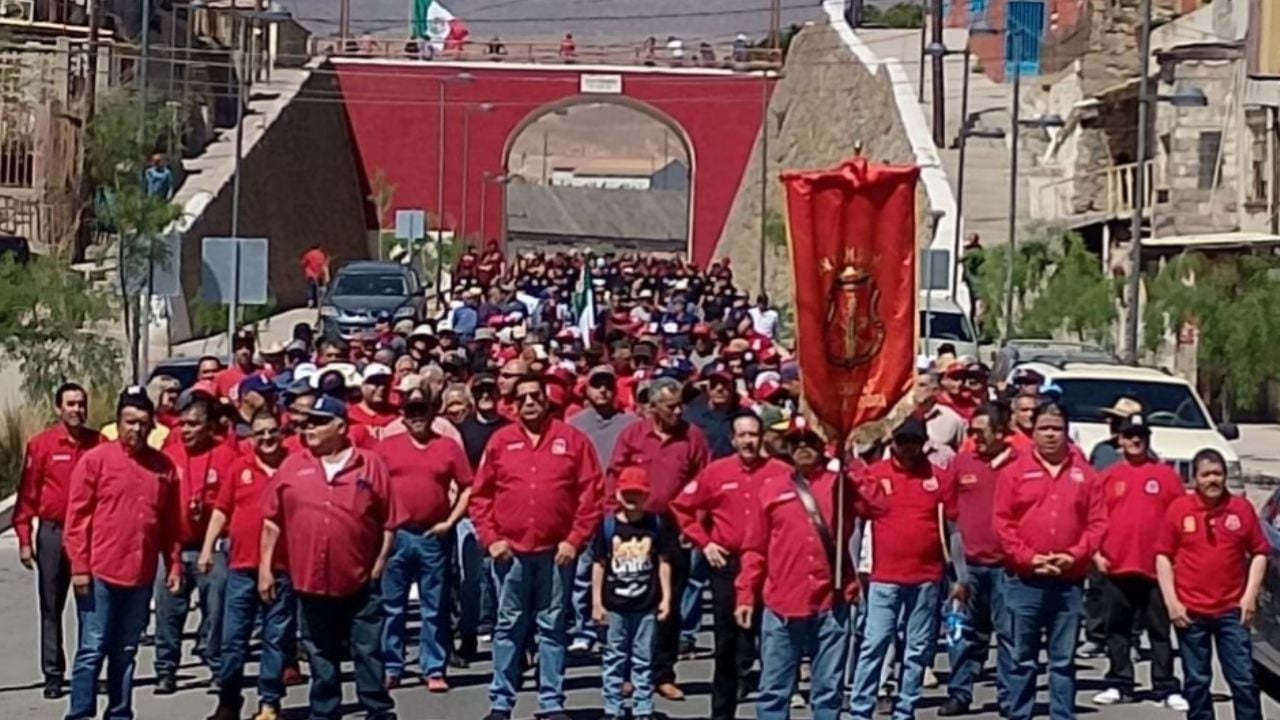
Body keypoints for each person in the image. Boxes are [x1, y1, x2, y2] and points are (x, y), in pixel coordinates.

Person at [470, 374, 604, 720]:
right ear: (513, 404)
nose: (529, 402)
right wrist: (491, 539)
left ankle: (551, 702)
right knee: (508, 626)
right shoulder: (500, 442)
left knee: (552, 627)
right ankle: (501, 702)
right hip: (509, 551)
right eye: (522, 397)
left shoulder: (573, 440)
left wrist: (575, 540)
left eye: (535, 396)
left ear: (547, 400)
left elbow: (591, 495)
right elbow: (481, 495)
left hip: (556, 552)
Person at [261, 395, 398, 720]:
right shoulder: (293, 465)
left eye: (318, 421)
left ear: (340, 426)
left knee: (367, 651)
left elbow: (389, 521)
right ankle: (324, 711)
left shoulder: (369, 464)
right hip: (310, 579)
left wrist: (378, 564)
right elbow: (271, 519)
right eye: (306, 421)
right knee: (319, 652)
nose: (309, 428)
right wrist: (266, 568)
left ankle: (377, 710)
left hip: (359, 580)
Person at [736, 418, 878, 720]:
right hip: (781, 604)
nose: (803, 448)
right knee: (774, 692)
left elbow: (876, 506)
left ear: (822, 446)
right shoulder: (771, 488)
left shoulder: (840, 484)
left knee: (828, 693)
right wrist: (745, 594)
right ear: (787, 448)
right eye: (796, 442)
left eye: (810, 442)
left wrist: (851, 460)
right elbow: (754, 548)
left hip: (830, 602)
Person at [64, 387, 181, 720]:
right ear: (118, 423)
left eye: (143, 423)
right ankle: (81, 713)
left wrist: (173, 565)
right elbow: (77, 518)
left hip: (141, 575)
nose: (137, 430)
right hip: (100, 572)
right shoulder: (96, 461)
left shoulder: (163, 467)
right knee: (92, 649)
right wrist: (80, 568)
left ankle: (119, 713)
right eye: (130, 422)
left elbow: (171, 523)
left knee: (126, 651)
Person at [671, 412, 789, 720]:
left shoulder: (782, 473)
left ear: (761, 438)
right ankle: (722, 713)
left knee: (774, 641)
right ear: (733, 440)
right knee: (726, 643)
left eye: (753, 435)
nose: (749, 441)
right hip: (727, 562)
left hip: (771, 564)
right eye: (743, 435)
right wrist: (704, 542)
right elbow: (681, 507)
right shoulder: (715, 472)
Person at [995, 399, 1107, 720]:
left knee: (1063, 660)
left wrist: (1073, 556)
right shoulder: (1014, 472)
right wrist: (1030, 559)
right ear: (1033, 431)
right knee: (1021, 659)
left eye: (1056, 429)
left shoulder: (1085, 474)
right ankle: (1020, 714)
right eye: (1043, 428)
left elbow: (1098, 523)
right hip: (1024, 582)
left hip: (1068, 583)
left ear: (1067, 432)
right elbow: (1003, 524)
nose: (1050, 435)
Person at [610, 376, 712, 700]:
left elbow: (704, 481)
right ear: (653, 407)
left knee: (669, 603)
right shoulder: (633, 436)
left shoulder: (692, 437)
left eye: (681, 404)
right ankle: (627, 673)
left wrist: (694, 525)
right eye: (671, 407)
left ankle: (662, 673)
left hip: (674, 526)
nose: (679, 411)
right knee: (630, 599)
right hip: (636, 525)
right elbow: (615, 475)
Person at [849, 416, 955, 720]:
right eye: (902, 441)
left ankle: (905, 708)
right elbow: (858, 522)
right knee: (874, 644)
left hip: (927, 577)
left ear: (924, 444)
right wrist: (855, 568)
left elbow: (952, 527)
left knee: (917, 649)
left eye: (914, 441)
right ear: (892, 442)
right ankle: (860, 710)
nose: (908, 448)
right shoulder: (876, 474)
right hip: (884, 577)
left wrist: (956, 574)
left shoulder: (938, 477)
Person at [1156, 448, 1268, 720]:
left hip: (1232, 611)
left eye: (1218, 473)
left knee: (1243, 680)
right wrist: (1172, 602)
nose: (1212, 480)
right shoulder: (1179, 509)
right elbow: (1162, 556)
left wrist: (1249, 595)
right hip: (1191, 611)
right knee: (1196, 681)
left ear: (1225, 476)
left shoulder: (1240, 509)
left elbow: (1260, 553)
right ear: (1195, 479)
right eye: (1206, 474)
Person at [200, 410, 296, 720]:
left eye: (272, 432)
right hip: (241, 566)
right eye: (260, 434)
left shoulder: (293, 467)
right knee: (232, 640)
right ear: (250, 438)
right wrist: (206, 549)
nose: (266, 438)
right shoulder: (239, 468)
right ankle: (229, 701)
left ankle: (269, 703)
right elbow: (221, 511)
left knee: (276, 639)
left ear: (281, 432)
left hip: (283, 568)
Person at [377, 386, 474, 691]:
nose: (417, 417)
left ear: (433, 414)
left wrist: (450, 521)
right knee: (392, 605)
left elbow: (468, 486)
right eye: (412, 411)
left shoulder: (448, 447)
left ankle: (433, 667)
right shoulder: (386, 447)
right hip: (397, 535)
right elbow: (374, 488)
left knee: (435, 605)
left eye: (423, 411)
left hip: (434, 534)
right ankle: (392, 666)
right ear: (403, 417)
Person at [1089, 412, 1186, 709]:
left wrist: (1177, 560)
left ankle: (1165, 686)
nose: (1135, 440)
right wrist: (1096, 554)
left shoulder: (1166, 476)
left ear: (1147, 439)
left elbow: (1181, 518)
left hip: (1156, 568)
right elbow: (1093, 518)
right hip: (1117, 565)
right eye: (1129, 435)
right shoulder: (1108, 477)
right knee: (1117, 628)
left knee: (1159, 630)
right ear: (1119, 439)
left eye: (1140, 435)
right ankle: (1119, 682)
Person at [14, 382, 102, 699]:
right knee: (51, 607)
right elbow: (27, 496)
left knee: (90, 608)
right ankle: (53, 674)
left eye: (81, 404)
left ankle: (87, 671)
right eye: (70, 404)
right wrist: (25, 538)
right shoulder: (42, 445)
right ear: (58, 408)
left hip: (88, 536)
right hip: (52, 533)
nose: (77, 409)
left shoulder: (99, 444)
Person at [154, 395, 239, 693]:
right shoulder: (169, 454)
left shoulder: (226, 455)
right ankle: (165, 670)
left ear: (209, 427)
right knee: (168, 610)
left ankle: (217, 667)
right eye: (183, 424)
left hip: (211, 547)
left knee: (216, 609)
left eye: (194, 424)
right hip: (174, 546)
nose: (186, 430)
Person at [939, 404, 1015, 717]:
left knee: (1009, 635)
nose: (974, 438)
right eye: (970, 432)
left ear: (1000, 433)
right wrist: (952, 566)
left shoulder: (1019, 464)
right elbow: (946, 512)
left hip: (1007, 568)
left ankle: (1010, 697)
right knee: (961, 634)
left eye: (980, 432)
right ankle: (959, 692)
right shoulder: (962, 462)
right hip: (966, 566)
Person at [593, 466, 678, 720]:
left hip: (646, 603)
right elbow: (599, 565)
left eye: (637, 494)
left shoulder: (655, 524)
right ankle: (613, 706)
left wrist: (666, 598)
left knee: (643, 657)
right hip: (615, 603)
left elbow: (663, 562)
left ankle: (643, 706)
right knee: (614, 657)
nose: (632, 500)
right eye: (627, 494)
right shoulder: (608, 527)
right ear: (618, 495)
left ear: (646, 495)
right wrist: (596, 602)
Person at [566, 365, 641, 653]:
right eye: (597, 385)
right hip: (584, 506)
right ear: (586, 388)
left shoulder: (631, 423)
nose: (603, 390)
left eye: (608, 385)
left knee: (620, 571)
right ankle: (582, 627)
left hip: (620, 508)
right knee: (582, 570)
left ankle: (616, 629)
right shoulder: (574, 424)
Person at [915, 371, 965, 451]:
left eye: (922, 385)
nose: (915, 389)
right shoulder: (900, 417)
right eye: (912, 385)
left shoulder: (952, 420)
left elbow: (962, 451)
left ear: (936, 390)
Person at [215, 329, 261, 403]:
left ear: (253, 350)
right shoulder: (221, 378)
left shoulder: (264, 374)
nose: (244, 351)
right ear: (234, 351)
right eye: (239, 347)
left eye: (248, 347)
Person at [301, 243, 330, 309]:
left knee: (311, 289)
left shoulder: (308, 254)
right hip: (319, 275)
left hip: (310, 275)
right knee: (318, 289)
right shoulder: (321, 254)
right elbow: (323, 265)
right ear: (319, 248)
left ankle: (310, 302)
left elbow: (304, 263)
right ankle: (318, 302)